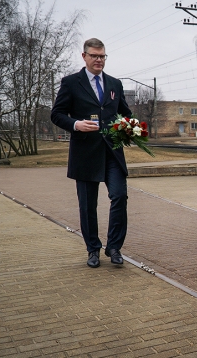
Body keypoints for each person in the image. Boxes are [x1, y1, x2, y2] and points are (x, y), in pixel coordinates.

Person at [51, 38, 132, 268]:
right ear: (84, 56)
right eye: (94, 56)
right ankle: (93, 249)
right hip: (85, 154)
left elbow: (125, 113)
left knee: (119, 197)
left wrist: (129, 126)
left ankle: (114, 247)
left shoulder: (115, 84)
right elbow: (57, 114)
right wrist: (76, 124)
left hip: (112, 153)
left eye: (102, 56)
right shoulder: (70, 83)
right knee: (88, 205)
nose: (99, 60)